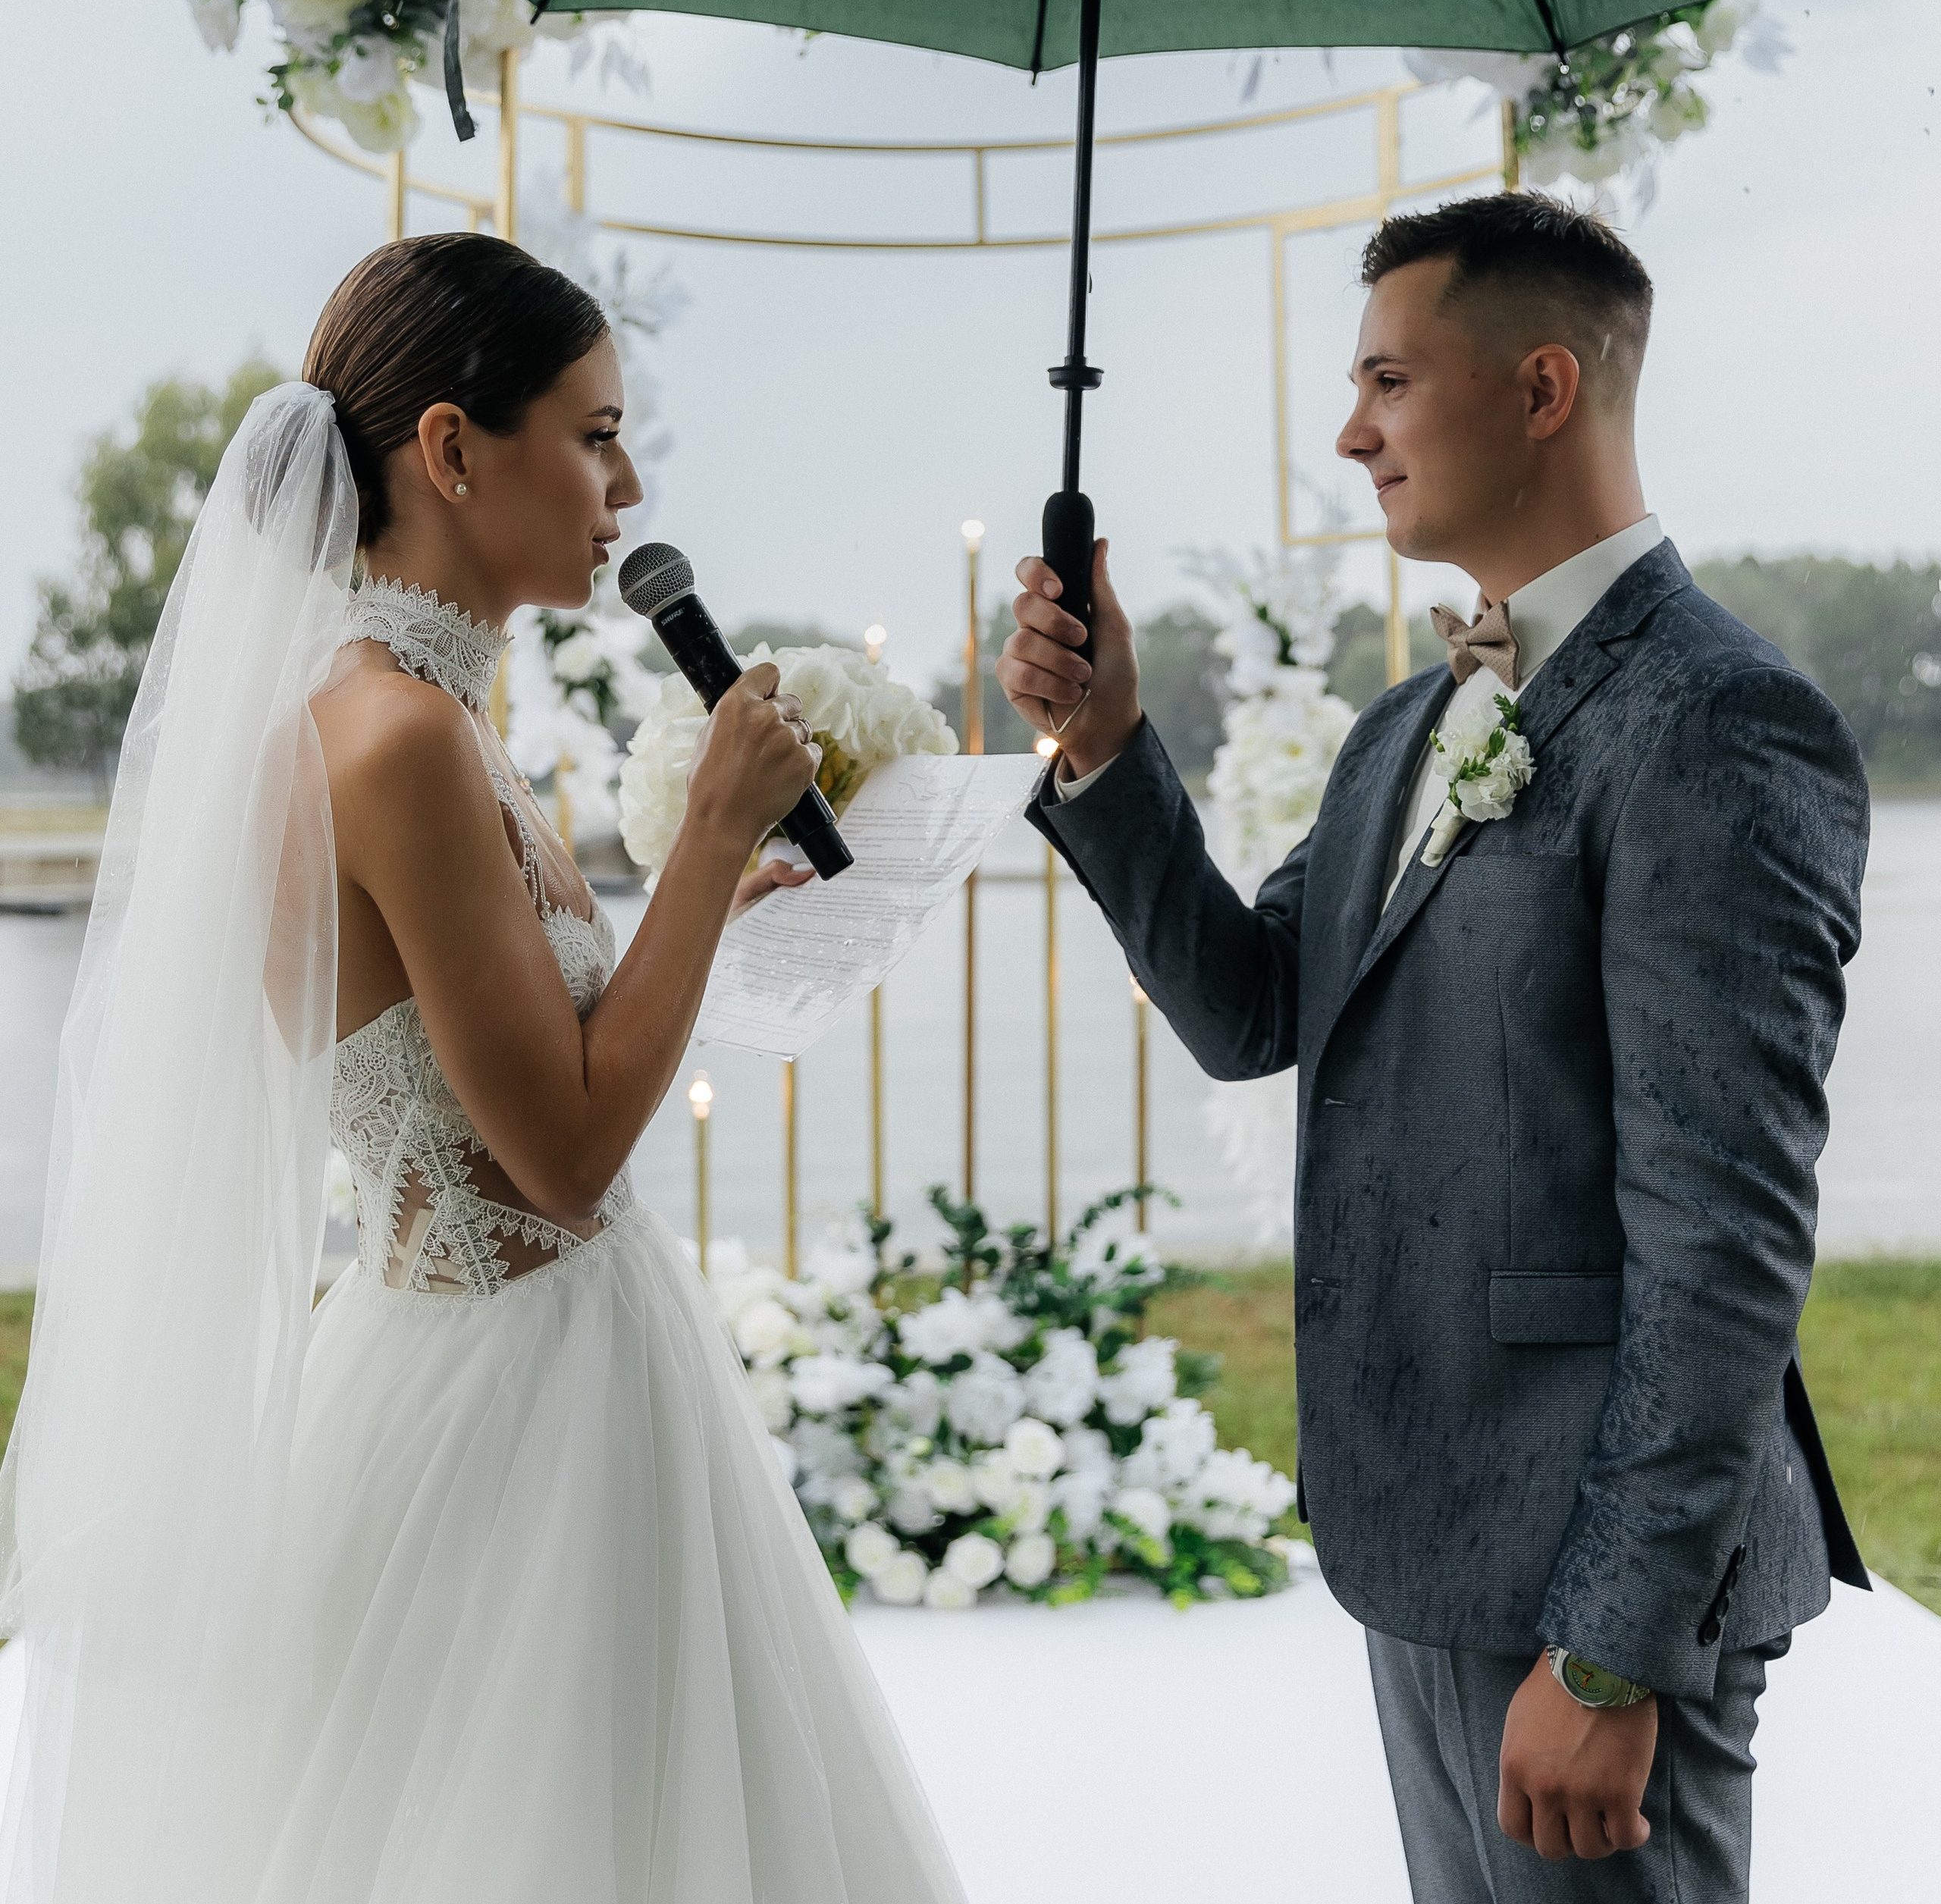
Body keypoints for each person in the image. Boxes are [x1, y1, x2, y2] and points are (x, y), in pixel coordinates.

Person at [0, 234, 964, 1904]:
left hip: (494, 1345)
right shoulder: (400, 741)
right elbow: (562, 1153)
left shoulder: (398, 713)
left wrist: (706, 906)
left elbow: (515, 1049)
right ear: (450, 449)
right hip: (515, 1399)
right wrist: (707, 833)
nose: (627, 477)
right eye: (593, 431)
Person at [998, 190, 1867, 1904]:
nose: (1349, 430)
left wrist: (1610, 1649)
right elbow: (1256, 1005)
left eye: (1387, 379)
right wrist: (1102, 747)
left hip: (1590, 1586)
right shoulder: (1406, 722)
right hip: (1423, 1532)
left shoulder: (1719, 724)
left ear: (1540, 389)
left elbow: (1724, 1236)